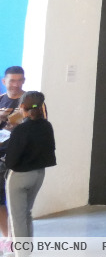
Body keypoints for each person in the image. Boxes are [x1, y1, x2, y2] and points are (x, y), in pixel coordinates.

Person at [4, 92, 54, 257]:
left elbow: (11, 160)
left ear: (21, 107)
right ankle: (26, 251)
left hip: (19, 177)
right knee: (27, 212)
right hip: (38, 174)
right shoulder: (47, 126)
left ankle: (21, 254)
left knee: (17, 218)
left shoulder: (21, 130)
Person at [0, 67, 27, 252]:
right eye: (12, 80)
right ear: (4, 81)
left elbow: (39, 125)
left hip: (19, 158)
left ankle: (14, 240)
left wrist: (15, 124)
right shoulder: (1, 99)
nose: (16, 84)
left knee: (15, 201)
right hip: (1, 156)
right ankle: (7, 239)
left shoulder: (30, 100)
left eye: (20, 80)